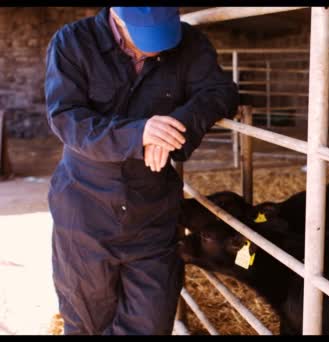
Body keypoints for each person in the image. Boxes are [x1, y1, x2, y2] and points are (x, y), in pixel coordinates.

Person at [44, 7, 238, 335]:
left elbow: (220, 91)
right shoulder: (73, 42)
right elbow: (65, 117)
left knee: (151, 323)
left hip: (152, 212)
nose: (157, 48)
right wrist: (138, 134)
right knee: (87, 322)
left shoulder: (189, 43)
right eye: (145, 36)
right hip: (84, 210)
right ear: (117, 16)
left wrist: (176, 126)